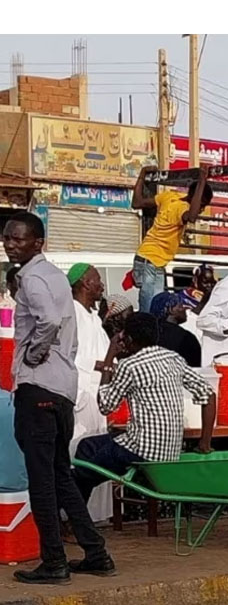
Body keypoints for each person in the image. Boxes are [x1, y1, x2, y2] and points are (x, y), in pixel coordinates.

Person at [2, 212, 113, 584]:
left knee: (42, 480)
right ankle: (95, 552)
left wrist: (33, 354)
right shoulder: (54, 276)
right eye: (7, 238)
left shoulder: (31, 278)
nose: (10, 244)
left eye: (18, 239)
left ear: (38, 242)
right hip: (63, 389)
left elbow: (47, 321)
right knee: (59, 475)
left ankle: (54, 561)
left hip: (39, 388)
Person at [74, 313, 215, 504]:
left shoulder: (130, 365)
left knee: (80, 475)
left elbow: (105, 406)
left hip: (138, 450)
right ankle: (79, 518)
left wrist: (109, 357)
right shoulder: (174, 358)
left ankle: (76, 521)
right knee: (87, 447)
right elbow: (209, 394)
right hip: (169, 450)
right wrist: (204, 443)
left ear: (129, 340)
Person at [66, 263, 114, 523]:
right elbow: (76, 357)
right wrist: (109, 363)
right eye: (97, 280)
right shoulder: (72, 314)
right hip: (82, 395)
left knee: (97, 455)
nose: (102, 285)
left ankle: (92, 518)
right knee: (78, 453)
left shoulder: (93, 317)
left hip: (99, 396)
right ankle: (72, 518)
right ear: (85, 283)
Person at [131, 165, 213, 314]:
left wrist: (142, 174)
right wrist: (202, 181)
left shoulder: (169, 196)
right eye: (202, 205)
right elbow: (192, 217)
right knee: (149, 315)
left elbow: (137, 202)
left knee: (156, 312)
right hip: (152, 263)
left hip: (146, 259)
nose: (202, 210)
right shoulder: (182, 209)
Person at [150, 292, 201, 367]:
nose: (184, 308)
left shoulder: (148, 334)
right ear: (171, 310)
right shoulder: (186, 338)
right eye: (180, 305)